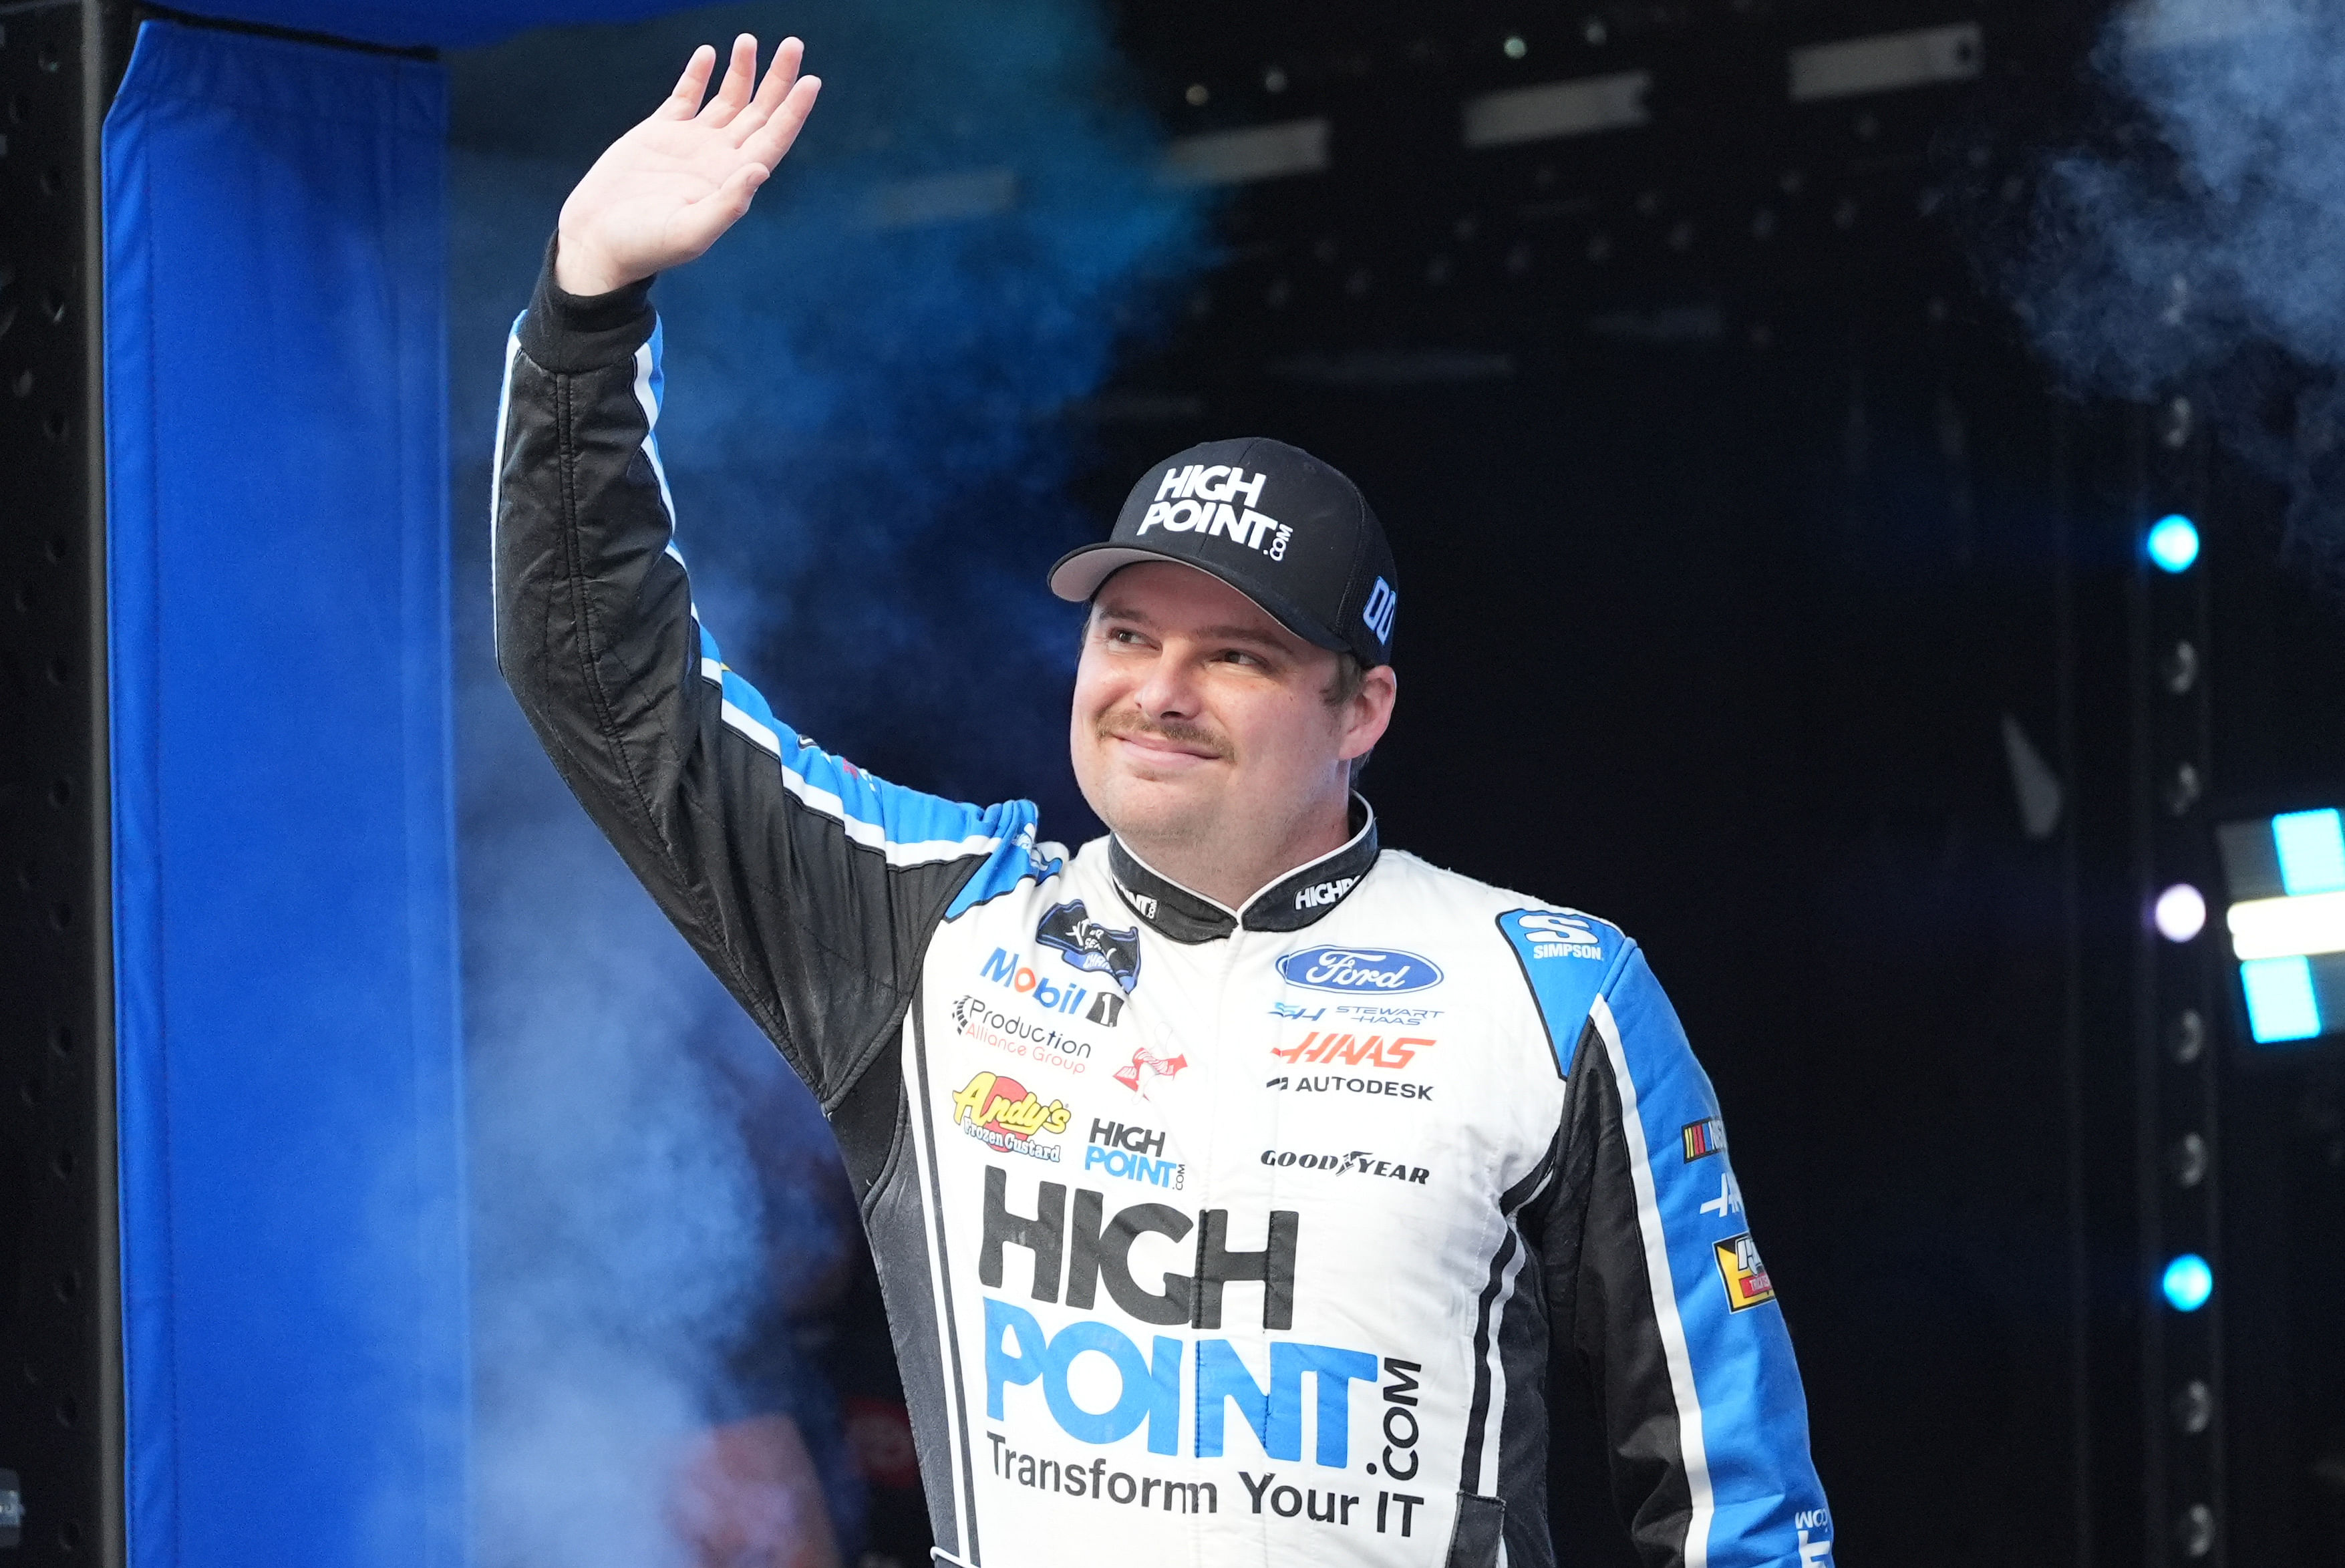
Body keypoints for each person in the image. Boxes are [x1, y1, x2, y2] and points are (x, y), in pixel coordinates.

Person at [494, 33, 1833, 1568]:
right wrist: (587, 313)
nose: (1158, 688)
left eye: (1238, 653)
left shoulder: (1552, 992)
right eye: (1126, 632)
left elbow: (1736, 1496)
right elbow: (609, 686)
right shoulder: (939, 932)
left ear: (1363, 708)